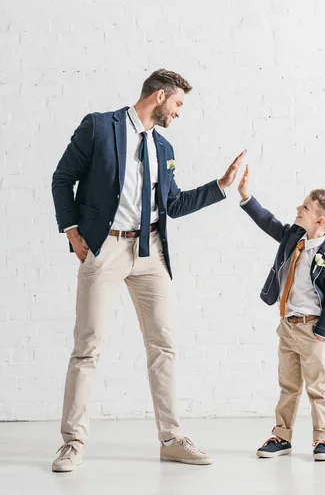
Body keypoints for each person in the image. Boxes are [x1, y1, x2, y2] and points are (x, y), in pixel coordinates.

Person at [51, 68, 246, 471]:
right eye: (177, 104)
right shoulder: (99, 127)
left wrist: (222, 186)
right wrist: (72, 232)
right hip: (103, 249)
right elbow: (62, 178)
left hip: (151, 251)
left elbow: (172, 205)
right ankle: (73, 442)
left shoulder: (165, 148)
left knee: (163, 345)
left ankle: (172, 438)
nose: (179, 113)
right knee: (87, 347)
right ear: (159, 97)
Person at [238, 164, 325, 461]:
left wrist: (323, 332)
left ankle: (322, 439)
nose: (298, 208)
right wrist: (246, 196)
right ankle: (282, 436)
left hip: (312, 330)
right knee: (288, 385)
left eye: (306, 207)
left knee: (318, 388)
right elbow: (269, 222)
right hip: (287, 326)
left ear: (320, 221)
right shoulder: (292, 238)